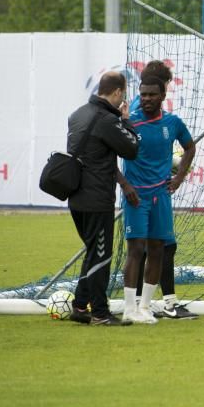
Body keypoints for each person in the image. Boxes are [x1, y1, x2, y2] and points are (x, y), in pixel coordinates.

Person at [120, 60, 198, 320]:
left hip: (161, 196)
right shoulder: (130, 120)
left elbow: (190, 148)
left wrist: (178, 179)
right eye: (143, 95)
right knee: (135, 250)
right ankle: (130, 309)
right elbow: (110, 153)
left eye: (152, 95)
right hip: (136, 196)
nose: (146, 99)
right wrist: (125, 185)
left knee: (157, 250)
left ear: (163, 95)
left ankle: (145, 306)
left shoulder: (173, 122)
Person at [66, 71, 139, 326]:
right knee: (102, 255)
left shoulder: (77, 114)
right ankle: (99, 312)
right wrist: (126, 120)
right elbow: (131, 148)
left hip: (75, 197)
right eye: (123, 95)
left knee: (92, 253)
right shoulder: (107, 119)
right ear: (117, 92)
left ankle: (79, 306)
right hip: (96, 198)